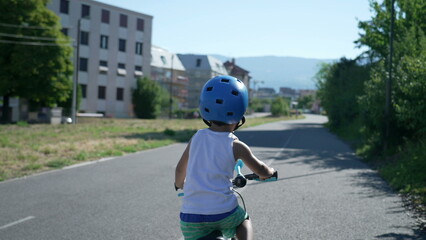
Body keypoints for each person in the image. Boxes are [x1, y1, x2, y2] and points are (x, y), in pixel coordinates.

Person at [175, 75, 276, 240]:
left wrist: (179, 184)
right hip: (224, 214)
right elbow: (261, 170)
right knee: (243, 220)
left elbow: (180, 169)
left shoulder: (196, 138)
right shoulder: (237, 146)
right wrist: (269, 172)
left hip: (190, 217)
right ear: (240, 114)